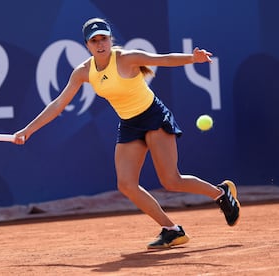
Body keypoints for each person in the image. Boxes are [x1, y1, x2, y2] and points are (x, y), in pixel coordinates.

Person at [13, 18, 240, 249]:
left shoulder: (126, 58)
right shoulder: (83, 72)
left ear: (110, 39)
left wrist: (193, 58)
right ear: (87, 45)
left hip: (153, 116)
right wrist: (28, 130)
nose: (100, 44)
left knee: (171, 180)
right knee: (126, 184)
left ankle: (220, 193)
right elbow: (58, 104)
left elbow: (162, 59)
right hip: (130, 124)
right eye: (94, 40)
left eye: (103, 38)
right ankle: (172, 230)